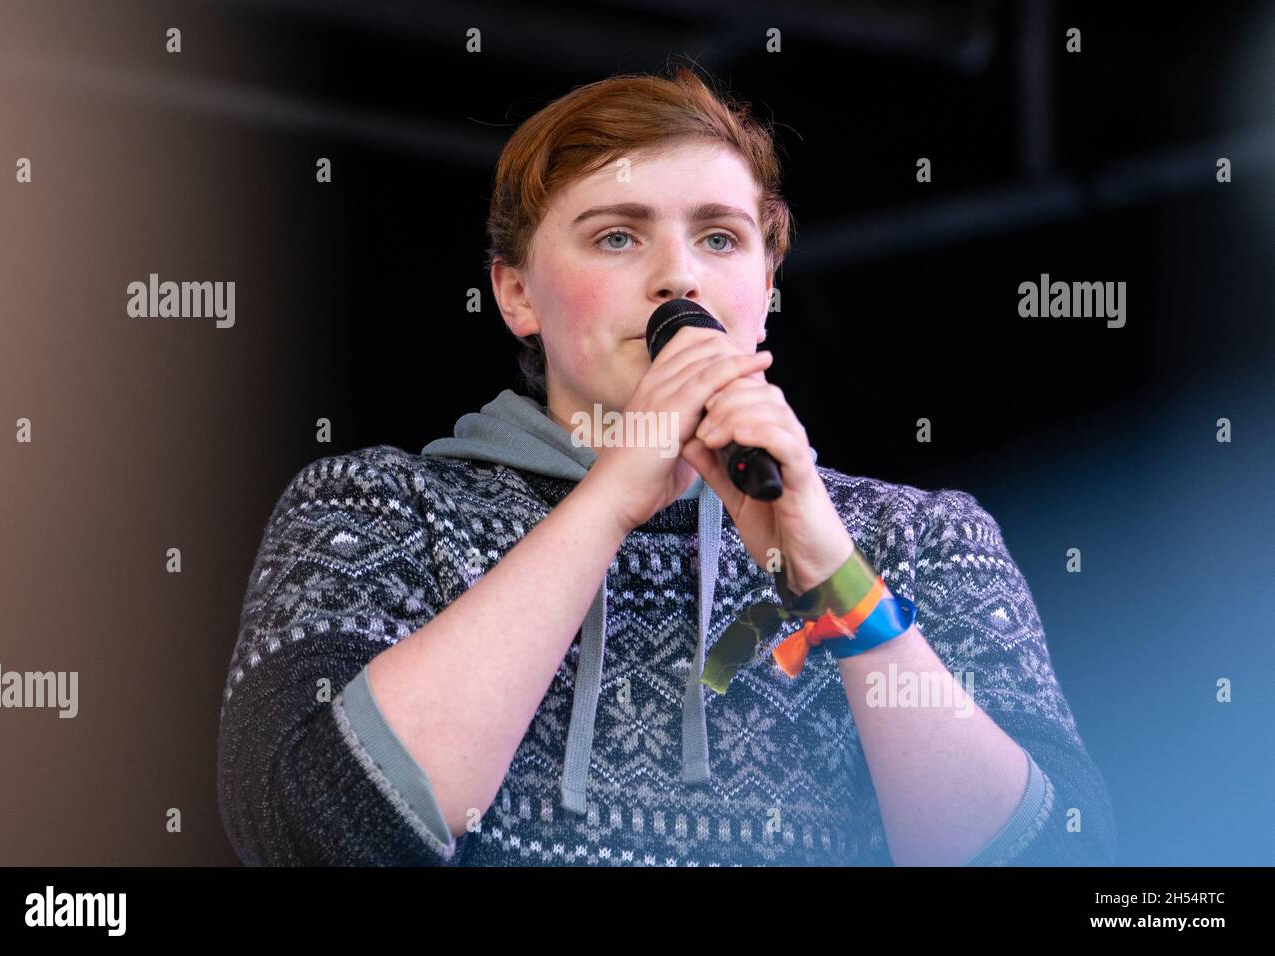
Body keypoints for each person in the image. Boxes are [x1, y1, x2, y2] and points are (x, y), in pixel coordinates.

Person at [216, 66, 1116, 866]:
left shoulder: (918, 539)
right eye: (617, 237)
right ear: (517, 294)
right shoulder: (376, 507)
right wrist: (611, 497)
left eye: (720, 239)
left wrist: (828, 573)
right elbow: (310, 832)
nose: (677, 278)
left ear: (766, 292)